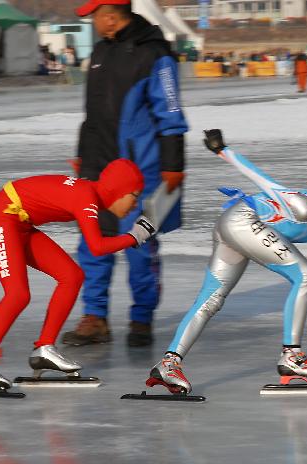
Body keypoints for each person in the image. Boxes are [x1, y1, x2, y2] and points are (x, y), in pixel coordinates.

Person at [146, 130, 307, 395]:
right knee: (306, 276)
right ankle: (292, 357)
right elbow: (265, 182)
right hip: (243, 222)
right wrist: (222, 150)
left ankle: (168, 364)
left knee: (211, 299)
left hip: (232, 225)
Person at [0, 159, 157, 392]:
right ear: (119, 190)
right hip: (1, 219)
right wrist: (135, 236)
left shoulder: (89, 192)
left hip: (19, 222)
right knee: (18, 294)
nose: (135, 205)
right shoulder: (88, 198)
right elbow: (97, 247)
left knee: (71, 276)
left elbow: (48, 186)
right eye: (135, 196)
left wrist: (4, 192)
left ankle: (44, 348)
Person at [62, 0, 188, 348]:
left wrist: (173, 167)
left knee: (139, 246)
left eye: (96, 16)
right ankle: (95, 316)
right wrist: (83, 159)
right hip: (97, 168)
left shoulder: (155, 54)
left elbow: (171, 115)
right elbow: (92, 115)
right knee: (92, 243)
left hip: (138, 171)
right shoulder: (101, 52)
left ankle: (141, 318)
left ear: (113, 15)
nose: (93, 23)